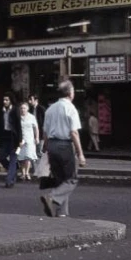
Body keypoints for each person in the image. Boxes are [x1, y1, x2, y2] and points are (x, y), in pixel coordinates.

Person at [40, 79, 86, 218]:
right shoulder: (70, 108)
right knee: (71, 179)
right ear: (70, 93)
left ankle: (62, 213)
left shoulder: (50, 109)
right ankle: (52, 197)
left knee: (60, 180)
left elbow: (45, 133)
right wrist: (81, 154)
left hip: (52, 146)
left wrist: (45, 149)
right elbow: (74, 133)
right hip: (64, 145)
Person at [0, 92, 22, 188]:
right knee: (1, 158)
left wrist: (20, 140)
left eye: (6, 100)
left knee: (12, 159)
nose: (5, 101)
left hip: (13, 138)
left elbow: (19, 126)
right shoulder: (2, 110)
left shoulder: (15, 110)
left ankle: (9, 180)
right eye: (4, 100)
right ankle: (14, 170)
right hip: (4, 137)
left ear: (10, 100)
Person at [17, 101, 39, 180]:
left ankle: (27, 173)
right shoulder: (18, 117)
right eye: (21, 108)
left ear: (28, 109)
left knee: (28, 156)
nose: (23, 110)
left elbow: (36, 128)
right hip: (20, 139)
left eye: (24, 108)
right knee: (21, 157)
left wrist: (37, 137)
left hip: (29, 139)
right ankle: (23, 173)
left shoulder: (32, 117)